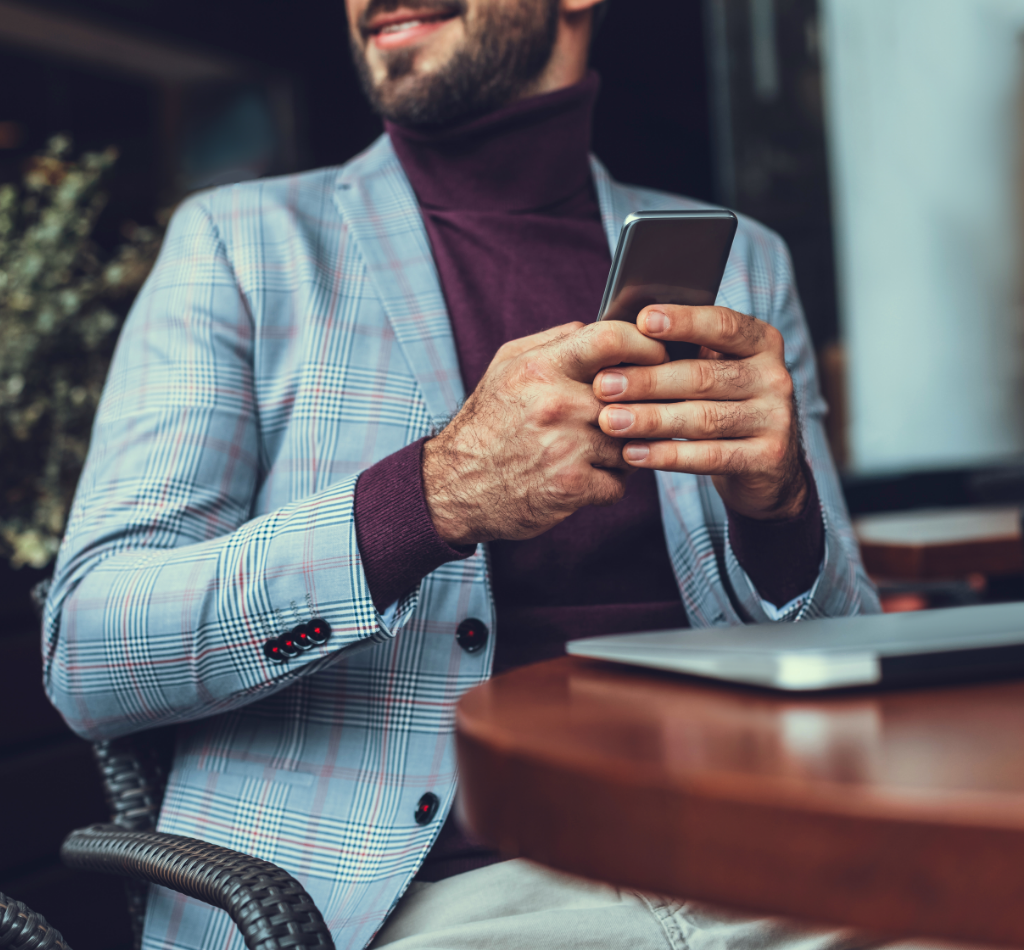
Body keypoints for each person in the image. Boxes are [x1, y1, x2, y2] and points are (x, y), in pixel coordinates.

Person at [43, 1, 879, 948]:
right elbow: (90, 649)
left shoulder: (746, 267)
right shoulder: (241, 245)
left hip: (755, 848)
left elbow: (851, 651)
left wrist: (785, 516)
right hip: (413, 896)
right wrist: (430, 497)